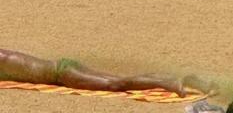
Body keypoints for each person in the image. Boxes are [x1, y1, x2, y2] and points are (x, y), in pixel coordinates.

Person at [0, 47, 216, 96]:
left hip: (64, 75)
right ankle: (186, 79)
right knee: (120, 80)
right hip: (65, 66)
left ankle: (166, 83)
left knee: (115, 85)